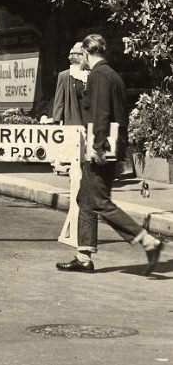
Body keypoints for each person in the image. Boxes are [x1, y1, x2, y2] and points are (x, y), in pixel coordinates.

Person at [56, 34, 164, 275]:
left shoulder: (99, 76)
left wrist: (97, 147)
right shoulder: (112, 75)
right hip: (106, 144)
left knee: (99, 201)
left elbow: (101, 113)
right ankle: (83, 256)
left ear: (86, 53)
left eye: (79, 54)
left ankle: (148, 242)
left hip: (100, 147)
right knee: (85, 198)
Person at [52, 42, 88, 126]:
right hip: (73, 120)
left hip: (89, 121)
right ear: (77, 56)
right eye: (84, 55)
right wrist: (57, 120)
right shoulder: (64, 76)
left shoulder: (90, 74)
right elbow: (59, 101)